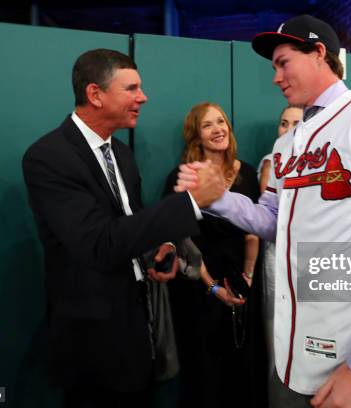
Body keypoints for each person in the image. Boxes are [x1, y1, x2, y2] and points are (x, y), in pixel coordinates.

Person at [175, 15, 351, 408]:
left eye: (283, 62)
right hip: (291, 340)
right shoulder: (287, 145)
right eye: (273, 66)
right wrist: (218, 198)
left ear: (318, 53)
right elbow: (270, 222)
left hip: (348, 345)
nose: (276, 76)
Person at [22, 49, 223, 407]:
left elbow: (129, 224)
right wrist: (190, 203)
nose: (142, 97)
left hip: (139, 336)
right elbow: (99, 242)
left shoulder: (123, 156)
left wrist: (161, 249)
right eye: (131, 88)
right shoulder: (48, 157)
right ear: (95, 94)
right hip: (93, 345)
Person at [162, 102, 267, 408]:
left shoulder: (246, 171)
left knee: (245, 362)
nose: (218, 129)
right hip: (200, 284)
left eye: (221, 122)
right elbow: (181, 240)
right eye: (207, 125)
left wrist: (246, 279)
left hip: (244, 279)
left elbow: (256, 230)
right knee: (206, 369)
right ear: (196, 135)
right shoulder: (184, 177)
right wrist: (213, 287)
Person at [257, 105, 303, 379]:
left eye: (295, 123)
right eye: (283, 123)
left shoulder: (320, 158)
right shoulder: (271, 161)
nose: (287, 130)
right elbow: (272, 214)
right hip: (279, 253)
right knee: (279, 327)